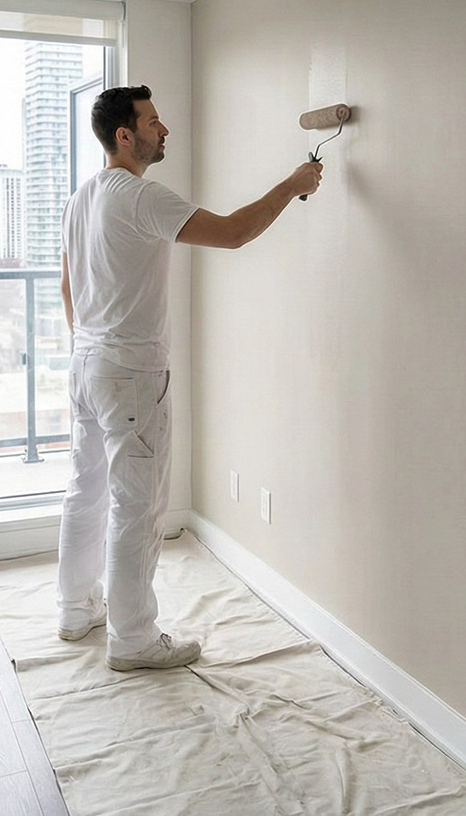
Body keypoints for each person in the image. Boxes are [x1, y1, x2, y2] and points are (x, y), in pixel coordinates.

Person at [59, 85, 322, 671]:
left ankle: (75, 609)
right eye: (154, 121)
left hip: (86, 366)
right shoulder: (138, 196)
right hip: (128, 372)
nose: (165, 129)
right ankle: (132, 641)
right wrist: (292, 185)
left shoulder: (82, 197)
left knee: (87, 490)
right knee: (136, 505)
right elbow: (231, 233)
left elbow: (68, 286)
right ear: (125, 136)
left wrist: (89, 344)